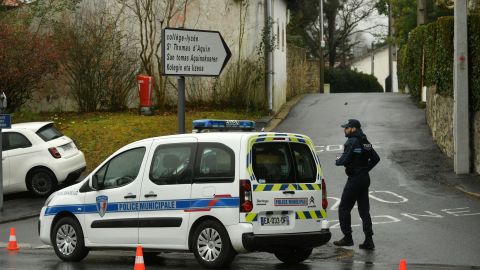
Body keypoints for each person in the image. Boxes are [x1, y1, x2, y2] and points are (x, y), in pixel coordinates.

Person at [333, 119, 380, 250]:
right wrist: (365, 169)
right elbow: (376, 158)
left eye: (346, 128)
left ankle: (347, 237)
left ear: (353, 128)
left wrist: (337, 161)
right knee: (364, 210)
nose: (344, 130)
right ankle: (369, 240)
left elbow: (344, 159)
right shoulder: (365, 141)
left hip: (355, 179)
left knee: (343, 208)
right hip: (364, 179)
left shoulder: (351, 141)